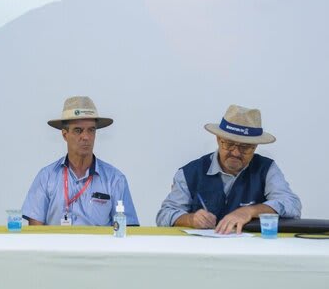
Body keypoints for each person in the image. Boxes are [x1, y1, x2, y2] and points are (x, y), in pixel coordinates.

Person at [156, 104, 301, 234]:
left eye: (245, 147)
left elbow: (292, 204)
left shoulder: (266, 168)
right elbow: (164, 215)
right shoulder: (190, 173)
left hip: (252, 253)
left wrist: (250, 211)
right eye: (229, 144)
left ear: (255, 147)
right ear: (218, 139)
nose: (236, 153)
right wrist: (190, 219)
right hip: (200, 253)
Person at [22, 96, 139, 226]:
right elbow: (35, 232)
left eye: (91, 130)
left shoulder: (115, 179)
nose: (86, 137)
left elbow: (128, 231)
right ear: (64, 135)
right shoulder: (46, 177)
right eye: (78, 130)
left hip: (99, 247)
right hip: (56, 246)